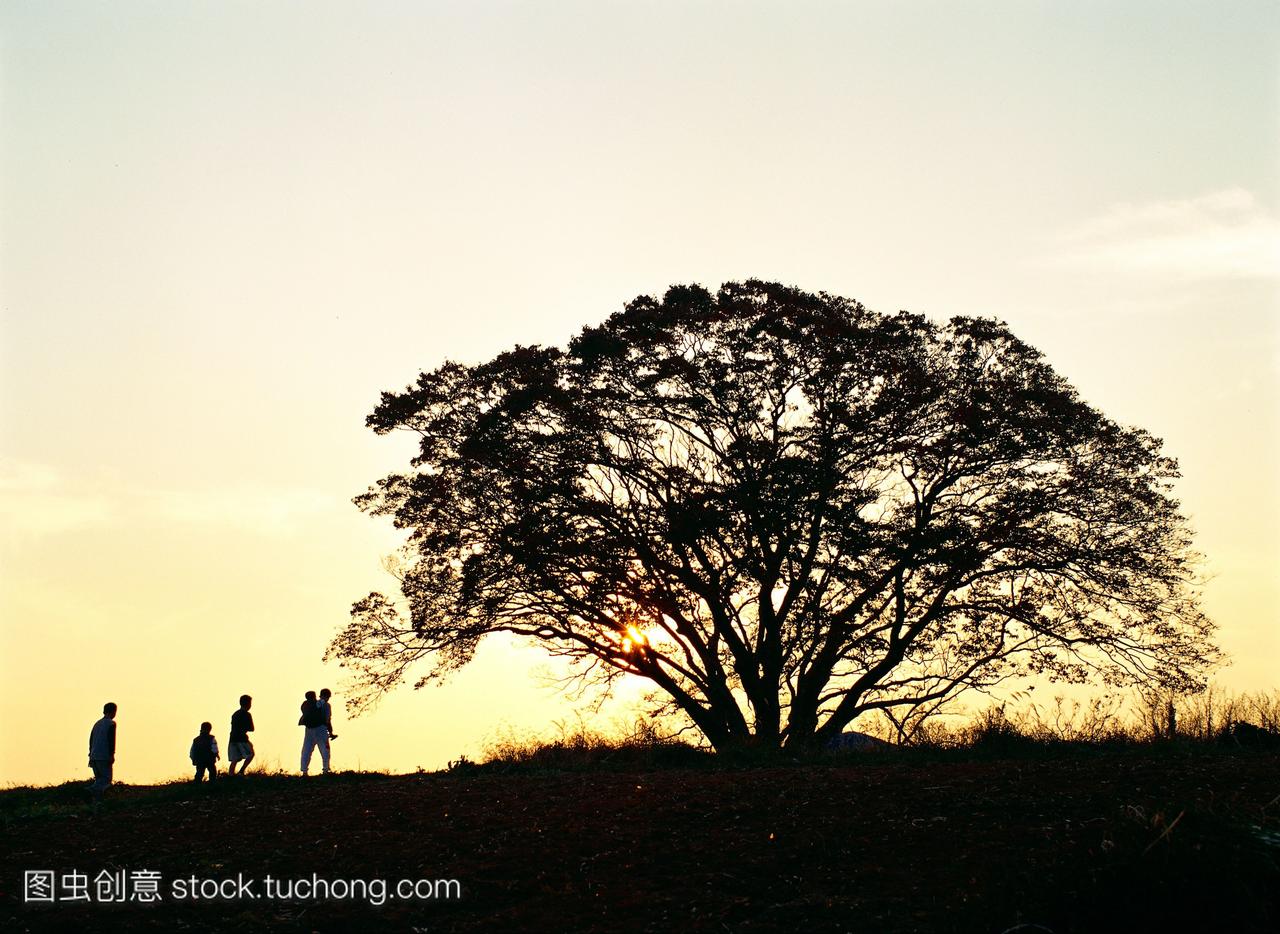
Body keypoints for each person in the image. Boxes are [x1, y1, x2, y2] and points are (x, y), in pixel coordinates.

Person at [87, 702, 117, 804]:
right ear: (114, 712)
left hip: (94, 756)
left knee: (99, 779)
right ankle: (91, 790)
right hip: (103, 756)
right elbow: (111, 740)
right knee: (106, 780)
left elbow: (91, 740)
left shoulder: (97, 724)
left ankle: (96, 802)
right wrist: (112, 754)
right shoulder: (111, 724)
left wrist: (90, 754)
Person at [299, 690, 330, 775]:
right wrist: (330, 731)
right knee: (325, 750)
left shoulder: (304, 705)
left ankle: (304, 771)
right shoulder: (322, 704)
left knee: (306, 750)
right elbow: (327, 720)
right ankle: (325, 770)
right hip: (321, 729)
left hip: (308, 730)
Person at [228, 695, 255, 776]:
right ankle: (241, 771)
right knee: (251, 754)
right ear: (248, 704)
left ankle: (231, 775)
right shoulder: (247, 714)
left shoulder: (235, 714)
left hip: (232, 738)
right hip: (242, 739)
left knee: (235, 758)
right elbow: (251, 728)